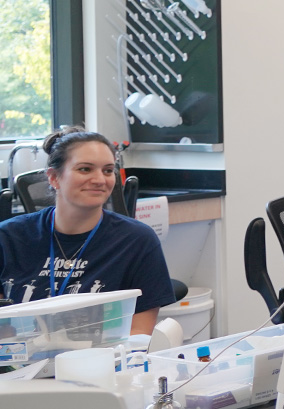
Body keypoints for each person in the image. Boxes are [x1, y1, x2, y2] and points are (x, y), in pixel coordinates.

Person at [0, 127, 174, 335]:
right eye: (85, 169)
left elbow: (138, 335)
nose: (100, 179)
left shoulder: (137, 241)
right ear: (54, 178)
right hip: (22, 364)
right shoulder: (9, 238)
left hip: (104, 363)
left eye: (108, 170)